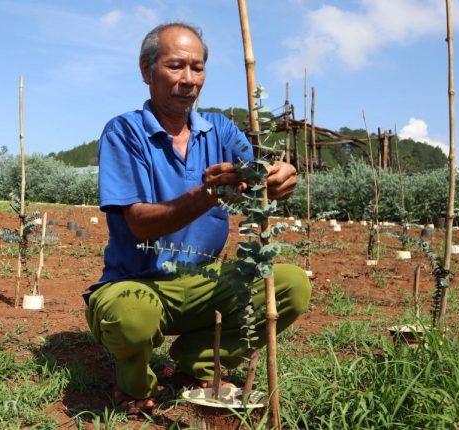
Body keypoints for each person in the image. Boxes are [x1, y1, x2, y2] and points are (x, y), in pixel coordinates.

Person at [84, 22, 311, 415]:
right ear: (146, 70)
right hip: (136, 283)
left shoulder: (220, 129)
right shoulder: (124, 132)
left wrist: (278, 178)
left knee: (291, 285)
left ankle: (197, 362)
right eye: (176, 66)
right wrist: (206, 195)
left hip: (205, 283)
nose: (189, 79)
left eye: (198, 67)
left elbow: (259, 171)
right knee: (131, 315)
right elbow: (140, 222)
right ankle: (136, 381)